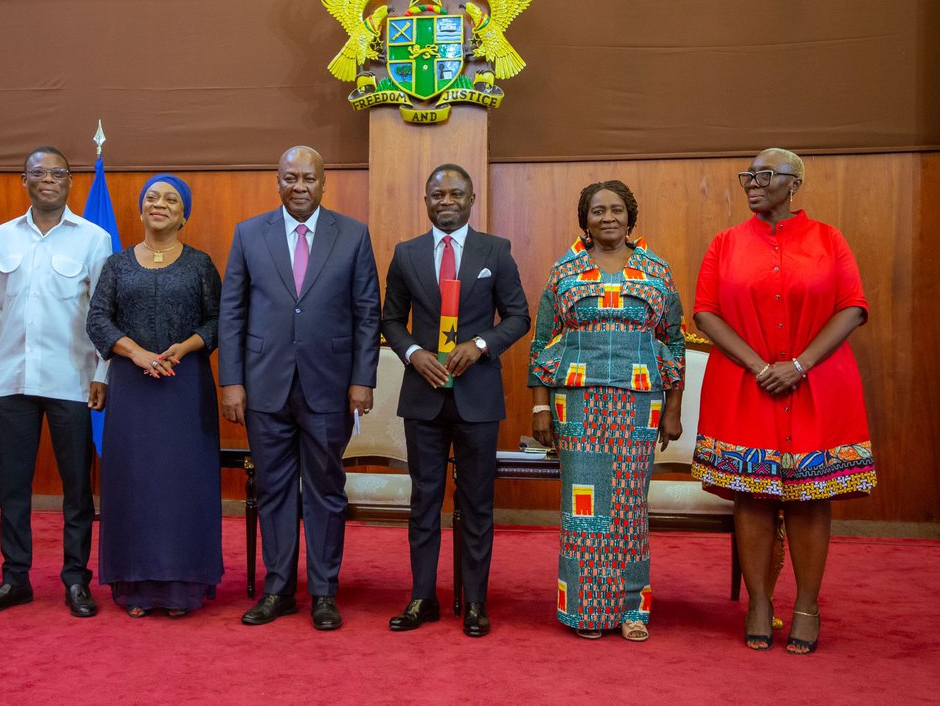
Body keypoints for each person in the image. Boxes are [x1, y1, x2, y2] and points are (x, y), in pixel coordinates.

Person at [692, 148, 875, 654]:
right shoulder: (725, 243)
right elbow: (705, 312)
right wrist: (759, 366)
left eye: (764, 175)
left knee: (812, 497)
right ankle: (759, 603)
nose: (752, 183)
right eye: (747, 175)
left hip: (817, 384)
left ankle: (808, 607)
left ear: (794, 183)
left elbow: (852, 307)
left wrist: (798, 365)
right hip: (745, 386)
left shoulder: (828, 239)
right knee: (751, 494)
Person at [220, 145, 380, 631]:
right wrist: (231, 381)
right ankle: (279, 589)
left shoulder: (352, 235)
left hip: (329, 387)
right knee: (273, 489)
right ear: (278, 182)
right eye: (290, 178)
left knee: (327, 491)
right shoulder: (249, 234)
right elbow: (232, 312)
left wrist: (362, 380)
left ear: (323, 183)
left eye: (308, 179)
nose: (300, 187)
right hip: (264, 385)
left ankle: (325, 592)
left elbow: (367, 312)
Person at [528, 180, 685, 642]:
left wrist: (672, 410)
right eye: (598, 211)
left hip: (638, 403)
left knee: (629, 508)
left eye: (617, 210)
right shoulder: (565, 270)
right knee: (585, 510)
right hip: (578, 403)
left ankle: (633, 609)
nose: (608, 218)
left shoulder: (656, 270)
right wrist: (540, 406)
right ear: (585, 220)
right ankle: (585, 611)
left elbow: (673, 342)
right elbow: (542, 343)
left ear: (630, 217)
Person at [380, 164, 530, 638]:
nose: (446, 201)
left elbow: (519, 316)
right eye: (437, 194)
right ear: (426, 200)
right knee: (423, 500)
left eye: (456, 194)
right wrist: (412, 352)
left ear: (470, 200)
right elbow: (390, 320)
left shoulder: (496, 251)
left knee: (477, 502)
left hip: (477, 397)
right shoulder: (406, 254)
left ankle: (475, 602)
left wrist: (481, 345)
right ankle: (423, 597)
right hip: (423, 395)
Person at [0, 146, 112, 618]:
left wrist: (102, 372)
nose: (48, 180)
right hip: (11, 379)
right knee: (13, 488)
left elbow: (102, 314)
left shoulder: (93, 238)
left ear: (70, 182)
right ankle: (15, 579)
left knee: (76, 489)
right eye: (38, 173)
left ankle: (76, 580)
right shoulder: (2, 237)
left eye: (57, 173)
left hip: (72, 381)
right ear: (24, 180)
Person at [86, 174, 224, 618]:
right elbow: (98, 321)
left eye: (170, 199)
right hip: (132, 388)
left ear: (184, 214)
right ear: (141, 209)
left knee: (184, 486)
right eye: (152, 198)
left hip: (186, 388)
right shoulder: (117, 265)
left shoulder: (201, 264)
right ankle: (136, 587)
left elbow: (219, 320)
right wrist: (138, 353)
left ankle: (184, 585)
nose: (159, 204)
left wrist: (186, 346)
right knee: (135, 485)